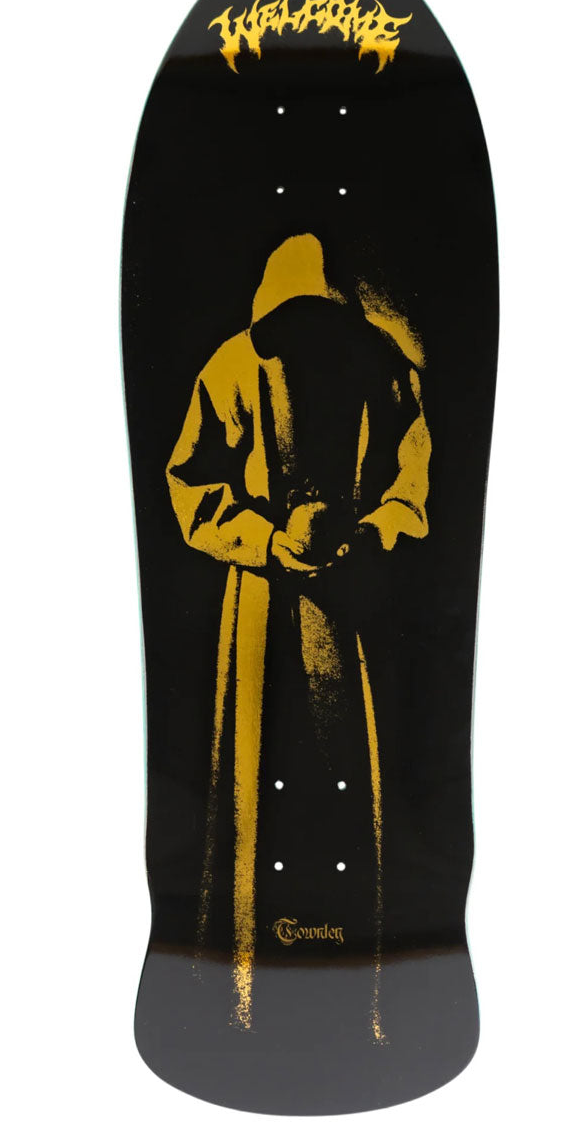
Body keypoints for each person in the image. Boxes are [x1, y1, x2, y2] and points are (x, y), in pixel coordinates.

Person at [165, 232, 430, 1036]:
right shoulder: (232, 367)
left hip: (354, 618)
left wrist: (367, 539)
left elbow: (411, 484)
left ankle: (362, 998)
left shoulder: (386, 370)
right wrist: (267, 540)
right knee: (259, 775)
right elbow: (193, 481)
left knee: (357, 777)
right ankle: (248, 995)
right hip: (260, 608)